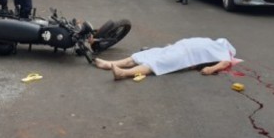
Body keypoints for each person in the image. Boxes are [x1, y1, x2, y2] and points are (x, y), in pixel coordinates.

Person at [94, 38, 237, 80]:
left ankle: (123, 73)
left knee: (155, 63)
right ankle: (110, 64)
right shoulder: (211, 42)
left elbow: (225, 63)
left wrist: (211, 68)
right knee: (145, 55)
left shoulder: (223, 51)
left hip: (184, 56)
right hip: (177, 47)